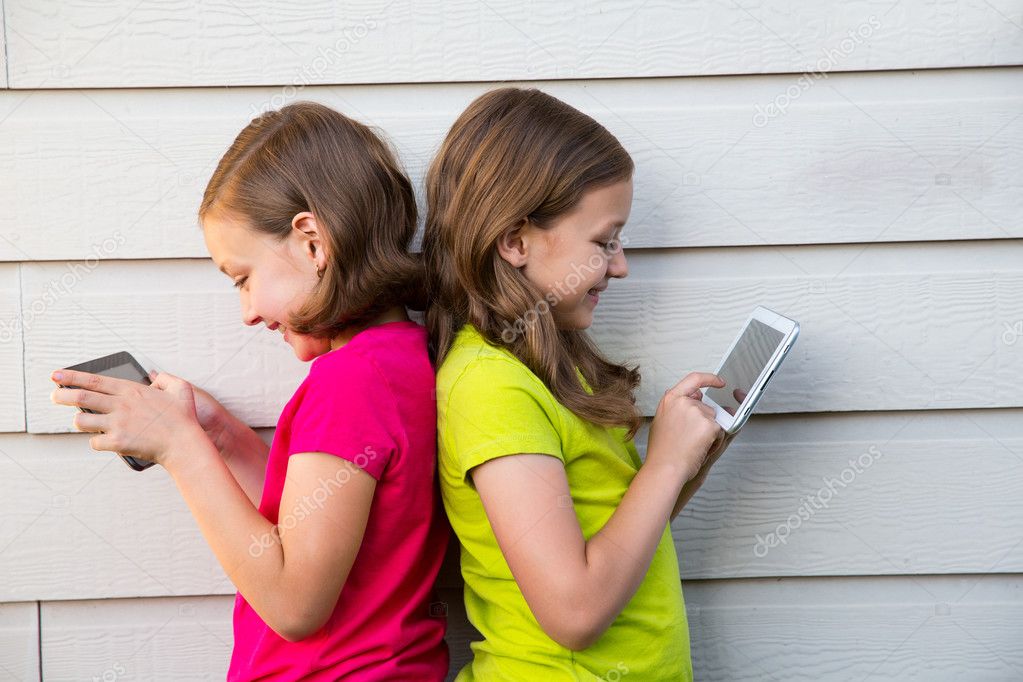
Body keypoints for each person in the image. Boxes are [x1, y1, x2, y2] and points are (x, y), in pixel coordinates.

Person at [50, 101, 449, 681]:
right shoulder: (403, 358)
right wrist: (222, 438)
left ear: (312, 242)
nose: (246, 313)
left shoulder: (348, 383)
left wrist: (179, 448)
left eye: (243, 279)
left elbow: (294, 604)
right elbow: (318, 523)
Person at [422, 87, 733, 681]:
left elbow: (616, 539)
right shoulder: (491, 389)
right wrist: (662, 466)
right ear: (514, 241)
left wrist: (685, 464)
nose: (620, 265)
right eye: (603, 241)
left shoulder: (551, 362)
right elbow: (575, 610)